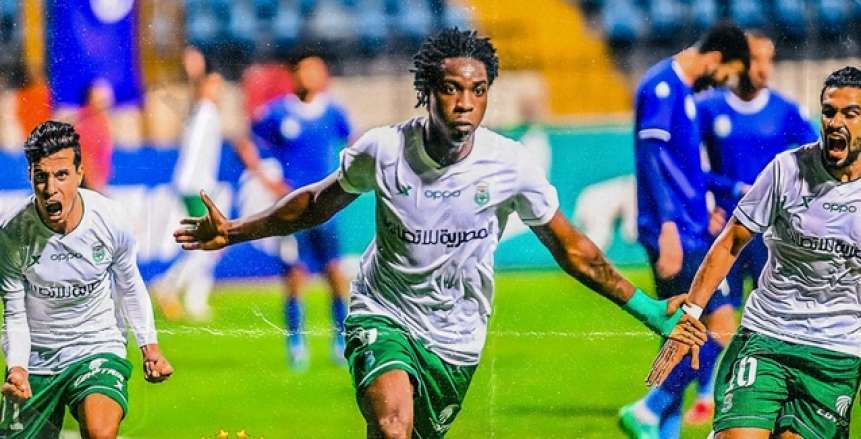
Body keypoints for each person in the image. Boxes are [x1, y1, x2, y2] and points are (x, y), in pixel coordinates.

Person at [175, 28, 706, 439]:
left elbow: (573, 249)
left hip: (457, 339)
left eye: (477, 90)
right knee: (393, 427)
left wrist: (649, 309)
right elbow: (314, 202)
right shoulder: (384, 150)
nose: (464, 102)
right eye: (451, 89)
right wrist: (234, 231)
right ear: (426, 92)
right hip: (383, 313)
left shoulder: (510, 165)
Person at [647, 66, 861, 439]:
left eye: (850, 114)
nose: (835, 123)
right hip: (769, 335)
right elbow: (731, 240)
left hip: (836, 353)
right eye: (829, 112)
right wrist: (690, 316)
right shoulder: (788, 170)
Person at [0, 121, 173, 438]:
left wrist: (150, 348)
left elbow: (130, 286)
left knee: (99, 432)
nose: (50, 188)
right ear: (30, 176)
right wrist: (18, 369)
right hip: (36, 360)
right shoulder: (11, 234)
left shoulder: (110, 220)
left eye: (61, 175)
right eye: (41, 176)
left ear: (80, 173)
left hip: (96, 346)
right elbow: (14, 312)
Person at [620, 22, 750, 439]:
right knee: (719, 325)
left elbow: (687, 172)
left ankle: (662, 429)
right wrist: (668, 227)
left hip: (692, 226)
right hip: (678, 233)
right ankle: (648, 407)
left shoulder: (683, 92)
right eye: (727, 73)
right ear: (716, 59)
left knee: (678, 332)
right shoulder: (662, 86)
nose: (723, 82)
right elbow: (651, 159)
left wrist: (726, 193)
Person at [685, 31, 818, 425]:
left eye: (769, 59)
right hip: (726, 233)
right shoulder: (709, 108)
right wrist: (715, 198)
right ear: (740, 61)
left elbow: (817, 161)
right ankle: (707, 396)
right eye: (756, 59)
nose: (763, 68)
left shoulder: (785, 110)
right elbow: (690, 168)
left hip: (772, 237)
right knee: (718, 321)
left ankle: (772, 395)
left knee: (772, 320)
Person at [234, 51, 354, 369]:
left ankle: (341, 339)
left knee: (334, 272)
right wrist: (268, 181)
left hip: (326, 206)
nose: (311, 76)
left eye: (316, 69)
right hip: (292, 208)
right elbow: (246, 143)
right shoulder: (279, 112)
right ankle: (296, 343)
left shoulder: (333, 111)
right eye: (305, 70)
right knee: (295, 274)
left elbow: (352, 144)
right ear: (294, 74)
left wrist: (345, 179)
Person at [152, 46, 224, 322]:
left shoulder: (203, 111)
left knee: (210, 245)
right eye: (214, 84)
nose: (217, 89)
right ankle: (170, 286)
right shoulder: (205, 111)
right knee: (211, 244)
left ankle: (192, 299)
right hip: (196, 187)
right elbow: (193, 153)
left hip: (196, 185)